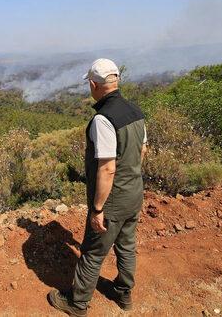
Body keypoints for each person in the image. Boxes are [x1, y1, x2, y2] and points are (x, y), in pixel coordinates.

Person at [48, 58, 147, 316]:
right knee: (126, 245)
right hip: (134, 192)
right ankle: (124, 295)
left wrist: (98, 208)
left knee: (92, 252)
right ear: (117, 80)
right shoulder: (135, 111)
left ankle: (77, 303)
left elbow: (107, 168)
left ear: (93, 84)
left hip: (113, 199)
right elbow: (142, 150)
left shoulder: (103, 120)